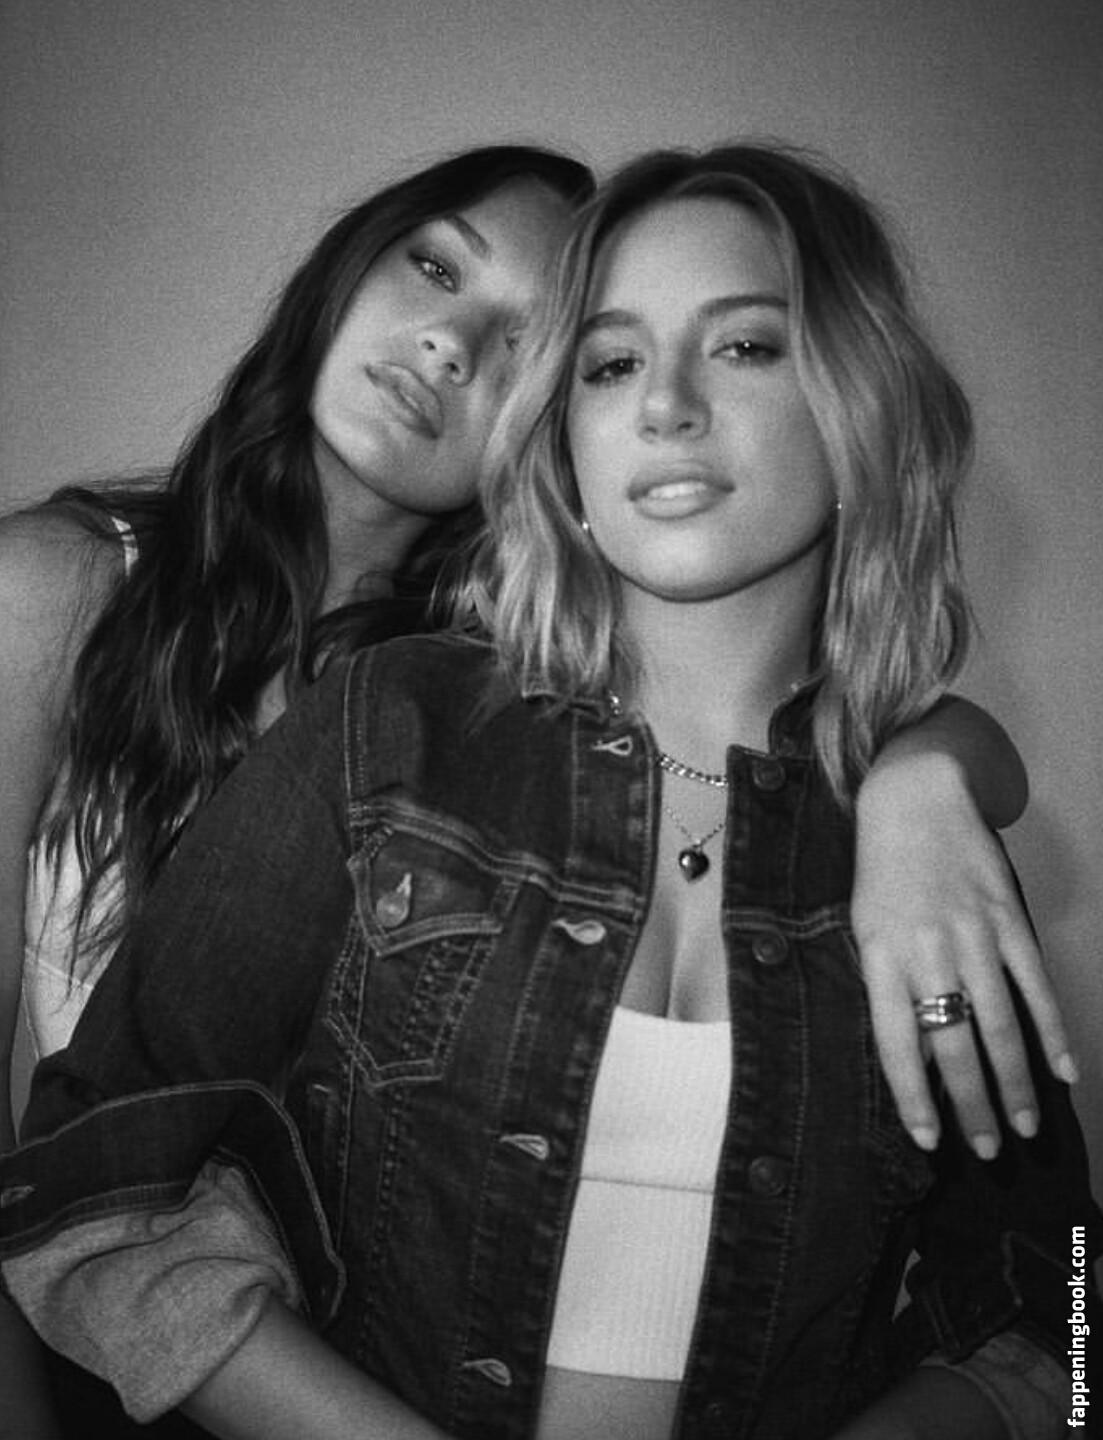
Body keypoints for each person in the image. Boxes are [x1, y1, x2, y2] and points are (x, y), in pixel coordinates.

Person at [1, 141, 1098, 1440]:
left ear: (862, 401)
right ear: (563, 443)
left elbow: (1072, 1316)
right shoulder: (387, 725)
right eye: (611, 363)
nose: (666, 404)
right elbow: (93, 1192)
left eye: (747, 345)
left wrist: (926, 769)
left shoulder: (931, 860)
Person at [0, 141, 593, 1440]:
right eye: (435, 267)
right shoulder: (55, 592)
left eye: (524, 347)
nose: (448, 345)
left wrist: (926, 779)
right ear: (347, 268)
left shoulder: (504, 719)